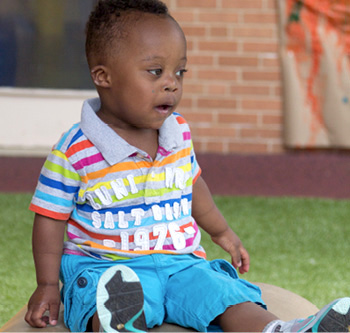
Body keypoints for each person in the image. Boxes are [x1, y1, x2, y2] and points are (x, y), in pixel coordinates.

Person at [24, 0, 350, 332]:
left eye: (179, 71)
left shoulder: (177, 132)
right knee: (107, 295)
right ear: (103, 76)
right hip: (107, 265)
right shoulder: (74, 150)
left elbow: (191, 184)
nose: (172, 83)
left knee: (222, 293)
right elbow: (50, 218)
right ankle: (119, 323)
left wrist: (221, 232)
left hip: (181, 265)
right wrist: (48, 285)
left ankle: (280, 330)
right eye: (156, 71)